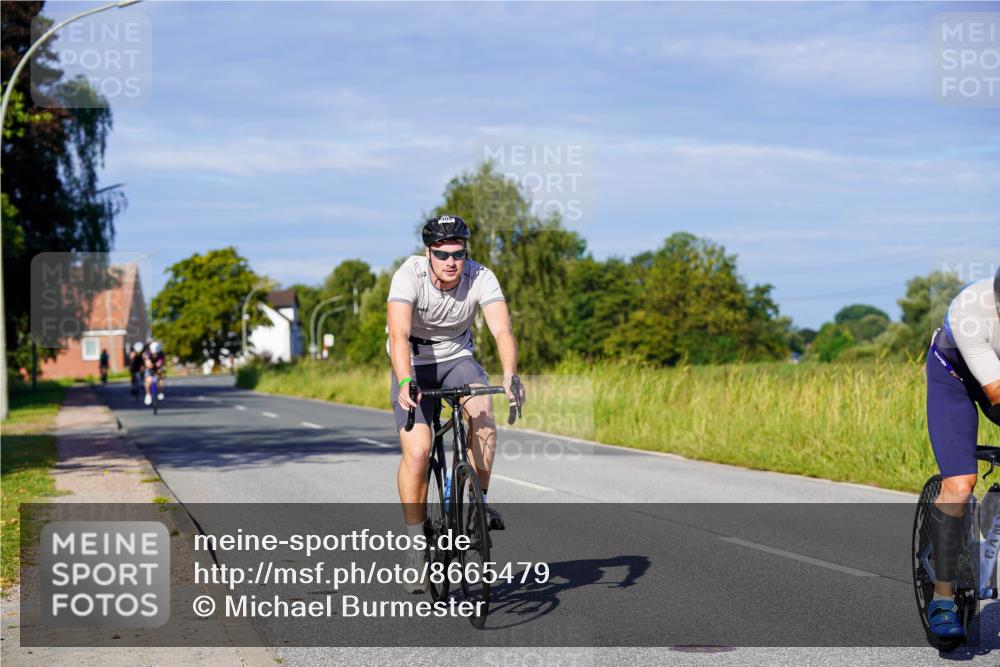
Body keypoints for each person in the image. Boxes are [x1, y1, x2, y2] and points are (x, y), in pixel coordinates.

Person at [386, 214, 525, 594]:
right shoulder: (408, 276)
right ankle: (416, 545)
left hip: (457, 357)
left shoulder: (480, 276)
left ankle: (475, 506)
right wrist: (403, 381)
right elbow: (398, 334)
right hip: (413, 362)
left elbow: (501, 329)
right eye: (442, 253)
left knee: (482, 415)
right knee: (418, 451)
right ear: (428, 252)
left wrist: (509, 375)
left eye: (458, 253)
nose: (451, 261)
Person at [925, 267, 1000, 639]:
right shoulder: (972, 310)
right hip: (953, 379)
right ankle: (943, 597)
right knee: (960, 485)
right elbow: (997, 394)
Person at [143, 340, 166, 405]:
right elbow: (147, 362)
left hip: (158, 367)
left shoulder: (161, 354)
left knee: (160, 377)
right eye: (153, 353)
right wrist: (149, 364)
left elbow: (161, 361)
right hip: (149, 367)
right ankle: (148, 395)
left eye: (156, 353)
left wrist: (159, 364)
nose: (155, 354)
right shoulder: (147, 353)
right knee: (148, 380)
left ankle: (160, 392)